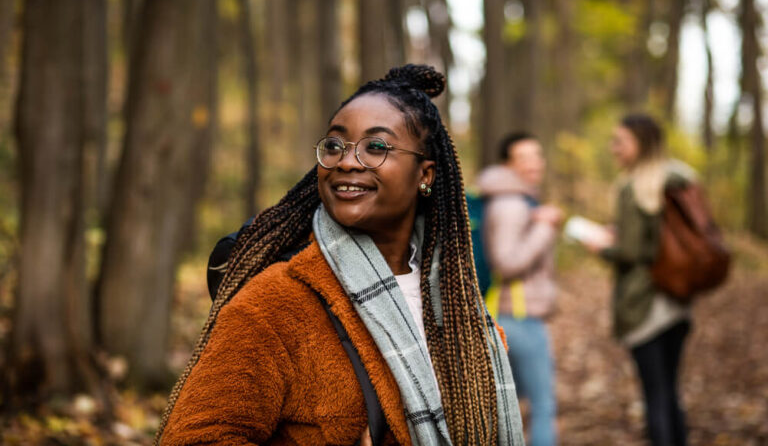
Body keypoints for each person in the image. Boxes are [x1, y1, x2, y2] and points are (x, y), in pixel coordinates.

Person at [155, 65, 525, 445]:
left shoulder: (459, 309)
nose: (347, 161)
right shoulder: (276, 303)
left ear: (425, 175)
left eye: (376, 147)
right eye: (334, 145)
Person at [583, 113, 693, 446]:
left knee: (655, 397)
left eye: (621, 141)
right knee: (671, 393)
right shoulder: (679, 179)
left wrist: (601, 247)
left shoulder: (635, 188)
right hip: (677, 301)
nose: (614, 148)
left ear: (641, 145)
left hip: (644, 305)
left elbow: (631, 253)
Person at [477, 132, 562, 446]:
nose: (534, 164)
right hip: (520, 317)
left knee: (506, 408)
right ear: (507, 165)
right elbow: (507, 262)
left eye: (536, 155)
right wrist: (544, 227)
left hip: (509, 314)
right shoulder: (511, 204)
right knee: (543, 407)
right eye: (523, 158)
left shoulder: (513, 200)